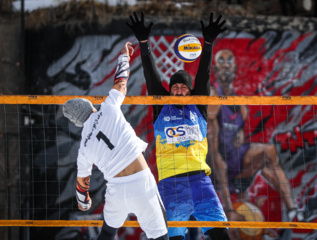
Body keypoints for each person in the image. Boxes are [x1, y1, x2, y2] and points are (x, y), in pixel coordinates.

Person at [126, 12, 231, 240]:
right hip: (171, 184)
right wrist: (144, 44)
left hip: (200, 181)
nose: (179, 90)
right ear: (170, 90)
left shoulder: (198, 108)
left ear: (191, 92)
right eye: (175, 87)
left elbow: (204, 74)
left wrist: (209, 43)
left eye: (184, 88)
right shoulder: (161, 106)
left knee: (221, 236)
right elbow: (151, 76)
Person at [63, 42, 169, 240]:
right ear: (90, 106)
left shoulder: (83, 149)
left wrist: (83, 202)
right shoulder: (108, 108)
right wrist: (124, 57)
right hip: (141, 182)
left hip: (116, 190)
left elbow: (82, 184)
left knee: (107, 234)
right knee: (161, 236)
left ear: (77, 122)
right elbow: (121, 81)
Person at [207, 48, 295, 239]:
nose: (226, 65)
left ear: (236, 67)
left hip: (233, 163)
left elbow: (239, 144)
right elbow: (215, 157)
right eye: (221, 61)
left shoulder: (240, 104)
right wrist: (230, 208)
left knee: (269, 153)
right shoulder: (213, 99)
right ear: (215, 68)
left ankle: (294, 212)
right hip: (213, 167)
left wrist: (243, 198)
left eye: (230, 60)